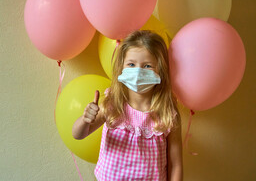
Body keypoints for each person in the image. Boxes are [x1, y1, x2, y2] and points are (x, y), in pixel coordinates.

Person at [72, 30, 183, 180]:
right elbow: (78, 135)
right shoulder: (113, 104)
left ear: (161, 70)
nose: (138, 72)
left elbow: (175, 163)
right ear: (122, 67)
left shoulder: (167, 113)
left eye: (147, 66)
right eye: (131, 64)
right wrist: (85, 120)